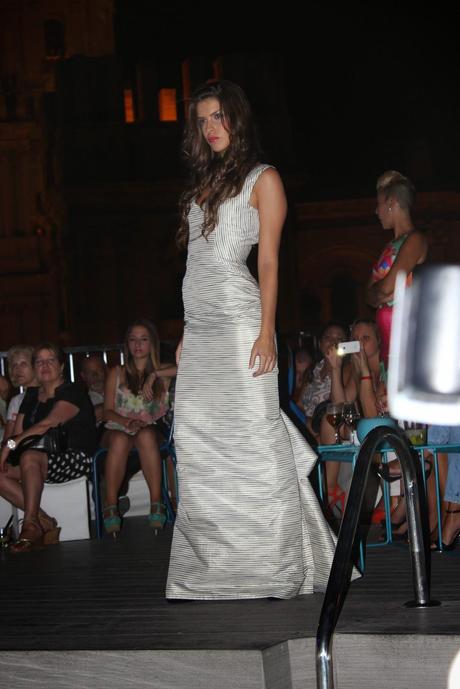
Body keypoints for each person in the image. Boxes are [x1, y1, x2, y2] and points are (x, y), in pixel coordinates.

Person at [166, 80, 343, 601]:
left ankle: (274, 564)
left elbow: (267, 261)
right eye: (202, 120)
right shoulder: (203, 183)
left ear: (237, 119)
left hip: (242, 321)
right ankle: (217, 569)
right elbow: (194, 266)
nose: (210, 127)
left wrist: (268, 330)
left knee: (254, 441)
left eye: (218, 116)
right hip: (199, 329)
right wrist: (184, 333)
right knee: (200, 444)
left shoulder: (263, 179)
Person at [0, 343, 98, 553]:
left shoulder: (72, 391)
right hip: (37, 458)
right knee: (5, 468)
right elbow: (17, 433)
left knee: (29, 457)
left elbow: (48, 423)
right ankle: (43, 520)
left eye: (50, 360)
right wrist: (8, 450)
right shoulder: (32, 394)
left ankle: (29, 525)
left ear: (61, 366)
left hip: (75, 457)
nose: (44, 365)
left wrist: (12, 445)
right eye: (39, 361)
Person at [102, 319, 176, 536]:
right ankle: (111, 505)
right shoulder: (117, 372)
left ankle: (156, 503)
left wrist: (154, 375)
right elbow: (106, 410)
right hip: (119, 427)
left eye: (143, 339)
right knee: (119, 439)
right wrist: (127, 422)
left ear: (152, 343)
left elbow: (187, 366)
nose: (138, 344)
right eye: (133, 339)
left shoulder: (162, 372)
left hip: (150, 430)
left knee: (145, 436)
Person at [366, 170, 428, 369]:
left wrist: (382, 292)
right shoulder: (390, 246)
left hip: (409, 347)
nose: (377, 211)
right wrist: (383, 292)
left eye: (379, 204)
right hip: (389, 348)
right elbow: (370, 296)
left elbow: (383, 289)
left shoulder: (415, 239)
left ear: (391, 202)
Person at [4, 345, 38, 442]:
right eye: (14, 365)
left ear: (34, 366)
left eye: (23, 364)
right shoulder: (16, 400)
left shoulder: (45, 395)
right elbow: (8, 437)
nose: (18, 369)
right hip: (16, 450)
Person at [79, 354, 107, 426]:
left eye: (99, 370)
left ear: (106, 371)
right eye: (90, 372)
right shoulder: (80, 400)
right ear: (83, 376)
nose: (95, 375)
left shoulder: (121, 392)